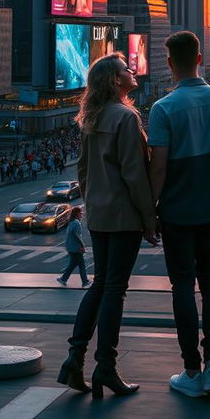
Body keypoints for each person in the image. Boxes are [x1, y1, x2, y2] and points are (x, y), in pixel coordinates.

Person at [148, 31, 210, 399]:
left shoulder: (163, 109)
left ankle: (190, 369)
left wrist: (150, 212)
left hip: (175, 214)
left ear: (170, 62)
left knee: (182, 288)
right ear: (201, 58)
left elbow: (157, 169)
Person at [57, 53, 157, 399]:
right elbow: (134, 174)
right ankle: (106, 367)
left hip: (98, 214)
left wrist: (94, 200)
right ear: (116, 81)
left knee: (100, 285)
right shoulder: (126, 117)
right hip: (124, 215)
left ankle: (75, 358)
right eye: (126, 69)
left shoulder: (91, 117)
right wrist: (148, 218)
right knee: (115, 289)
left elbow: (82, 172)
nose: (132, 71)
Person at [58, 207, 90, 288]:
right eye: (80, 212)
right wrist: (82, 245)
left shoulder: (71, 222)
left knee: (72, 264)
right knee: (82, 265)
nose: (81, 214)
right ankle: (85, 281)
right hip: (76, 248)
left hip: (70, 247)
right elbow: (76, 235)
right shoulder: (76, 223)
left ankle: (63, 279)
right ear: (77, 214)